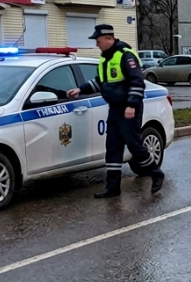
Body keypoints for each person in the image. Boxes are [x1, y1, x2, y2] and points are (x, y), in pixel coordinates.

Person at [68, 24, 164, 197]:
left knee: (135, 146)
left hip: (128, 109)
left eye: (98, 41)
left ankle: (156, 173)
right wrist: (81, 89)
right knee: (113, 147)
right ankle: (113, 187)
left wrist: (131, 105)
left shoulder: (125, 56)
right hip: (114, 108)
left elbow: (137, 82)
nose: (96, 44)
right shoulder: (105, 58)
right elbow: (100, 82)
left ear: (108, 39)